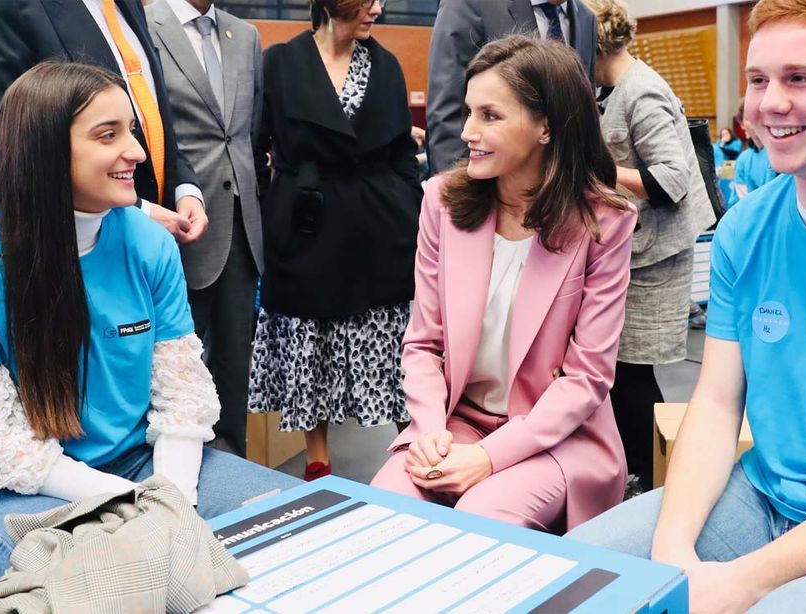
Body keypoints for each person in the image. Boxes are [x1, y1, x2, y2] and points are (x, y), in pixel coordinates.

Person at [0, 61, 300, 589]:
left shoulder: (149, 242)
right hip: (17, 492)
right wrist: (136, 506)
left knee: (294, 524)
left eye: (132, 131)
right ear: (45, 148)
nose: (138, 153)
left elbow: (182, 395)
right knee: (119, 582)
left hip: (149, 465)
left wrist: (172, 500)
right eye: (108, 135)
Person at [568, 1, 806, 610]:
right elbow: (716, 402)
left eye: (801, 78)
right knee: (578, 573)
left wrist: (750, 579)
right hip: (763, 495)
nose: (770, 103)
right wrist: (672, 550)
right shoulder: (745, 231)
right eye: (759, 79)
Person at [371, 36, 634, 531]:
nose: (467, 130)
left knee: (482, 516)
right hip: (457, 423)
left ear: (545, 127)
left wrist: (490, 457)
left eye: (490, 116)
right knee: (385, 509)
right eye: (469, 111)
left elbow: (587, 379)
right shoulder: (442, 203)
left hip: (558, 437)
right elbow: (423, 344)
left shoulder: (605, 220)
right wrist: (429, 431)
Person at [248, 0, 423, 480]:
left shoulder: (385, 64)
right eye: (367, 1)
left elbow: (402, 153)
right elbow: (258, 142)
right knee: (312, 338)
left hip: (377, 223)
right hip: (308, 225)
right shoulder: (281, 62)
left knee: (386, 337)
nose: (378, 9)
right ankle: (317, 458)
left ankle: (413, 450)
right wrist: (276, 208)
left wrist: (407, 205)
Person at [590, 0, 715, 493]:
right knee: (620, 371)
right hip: (636, 247)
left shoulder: (641, 93)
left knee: (632, 371)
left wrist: (599, 173)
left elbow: (672, 180)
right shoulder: (612, 88)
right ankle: (642, 466)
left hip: (659, 253)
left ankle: (655, 475)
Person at [0, 0, 208, 246]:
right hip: (76, 247)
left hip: (162, 243)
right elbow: (9, 143)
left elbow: (150, 112)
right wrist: (139, 211)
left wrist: (184, 188)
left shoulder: (128, 5)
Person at [146, 0, 266, 456]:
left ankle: (234, 465)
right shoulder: (146, 26)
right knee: (178, 365)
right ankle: (175, 471)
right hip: (178, 222)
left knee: (235, 364)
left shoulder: (245, 34)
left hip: (240, 224)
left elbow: (247, 130)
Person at [426, 0, 597, 173]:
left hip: (561, 186)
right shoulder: (470, 4)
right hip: (488, 185)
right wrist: (455, 187)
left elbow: (583, 113)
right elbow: (447, 109)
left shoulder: (586, 18)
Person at [730, 100, 778, 206]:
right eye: (749, 118)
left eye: (759, 116)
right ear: (742, 124)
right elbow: (740, 199)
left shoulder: (780, 152)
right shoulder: (743, 159)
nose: (755, 122)